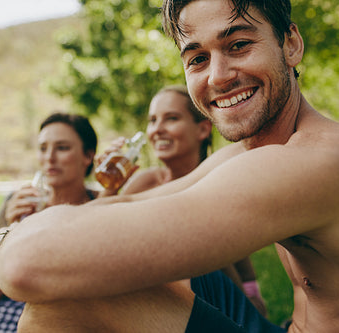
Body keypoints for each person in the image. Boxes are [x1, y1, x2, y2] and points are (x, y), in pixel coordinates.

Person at [0, 0, 339, 332]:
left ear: (291, 43)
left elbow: (33, 264)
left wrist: (7, 250)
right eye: (197, 59)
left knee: (60, 289)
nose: (220, 76)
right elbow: (118, 212)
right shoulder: (251, 155)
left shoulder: (319, 163)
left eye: (239, 45)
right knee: (78, 290)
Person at [99, 84, 267, 315]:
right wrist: (110, 189)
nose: (157, 129)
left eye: (171, 118)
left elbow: (244, 275)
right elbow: (96, 232)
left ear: (203, 130)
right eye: (152, 120)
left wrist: (251, 303)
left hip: (211, 307)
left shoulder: (220, 183)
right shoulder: (146, 182)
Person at [0, 112, 99, 333]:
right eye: (43, 148)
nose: (49, 157)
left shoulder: (102, 206)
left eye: (62, 148)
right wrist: (10, 229)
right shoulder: (18, 203)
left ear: (87, 156)